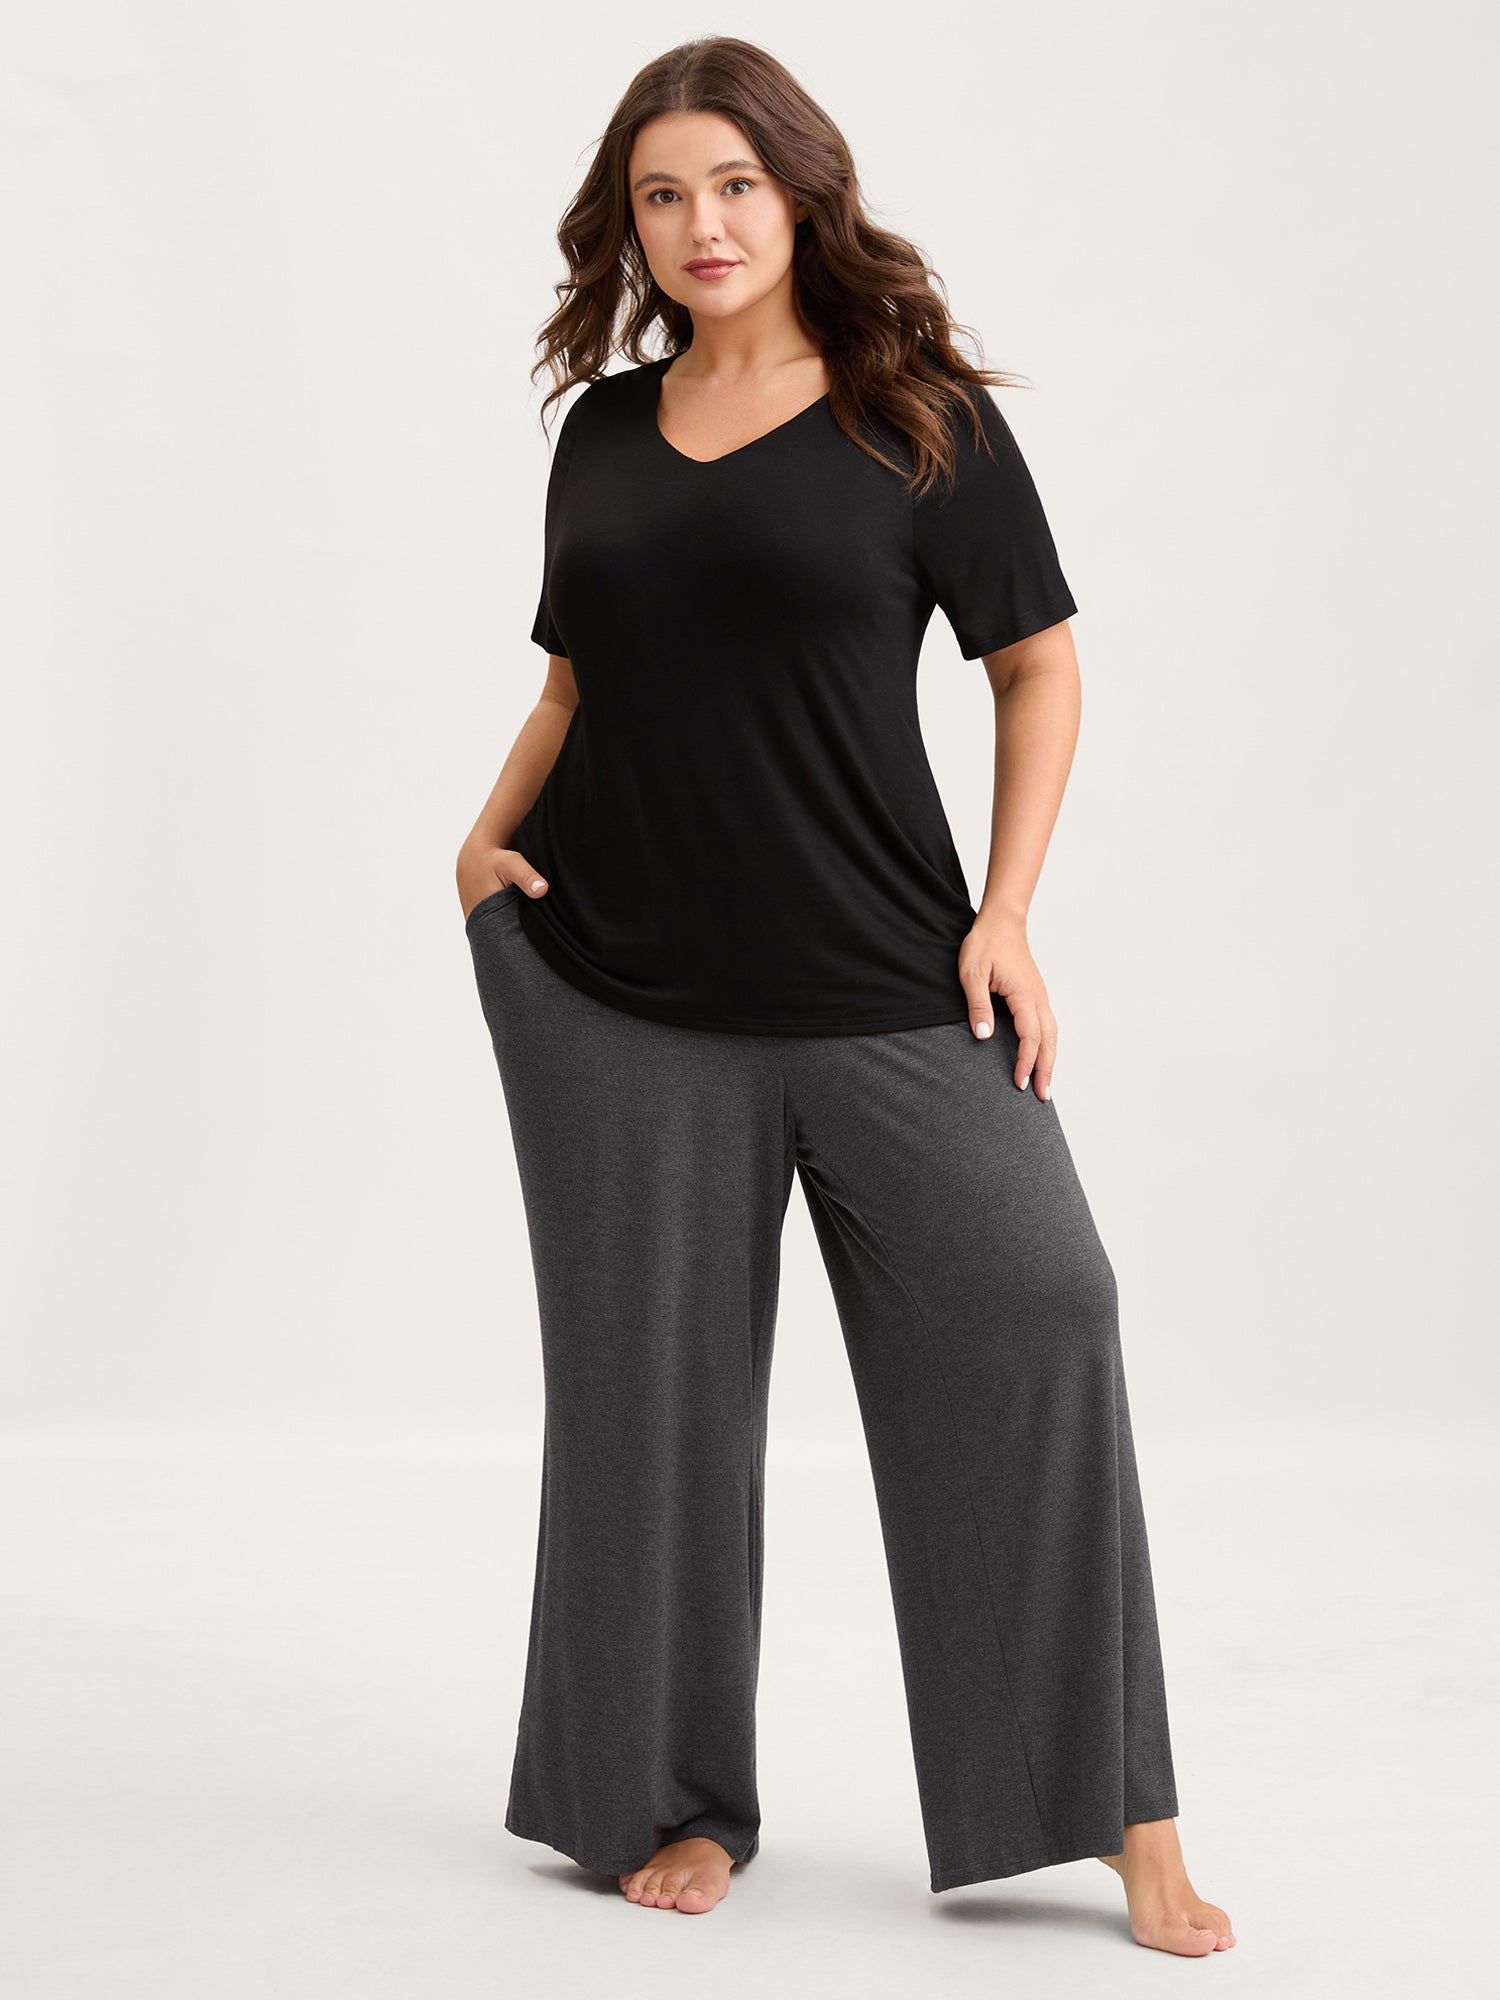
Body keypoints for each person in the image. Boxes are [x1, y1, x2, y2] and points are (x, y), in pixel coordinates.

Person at [455, 35, 1235, 1957]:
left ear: (801, 194)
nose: (701, 224)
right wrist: (480, 842)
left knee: (1047, 1309)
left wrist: (1008, 911)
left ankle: (1120, 1814)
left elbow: (1037, 663)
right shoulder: (603, 434)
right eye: (662, 195)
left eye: (734, 184)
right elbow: (573, 688)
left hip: (887, 981)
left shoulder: (917, 419)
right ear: (631, 226)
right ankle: (664, 1801)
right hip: (616, 992)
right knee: (644, 1410)